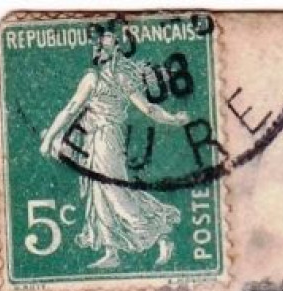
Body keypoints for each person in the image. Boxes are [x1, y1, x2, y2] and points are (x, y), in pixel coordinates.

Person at [38, 28, 190, 270]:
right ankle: (112, 251)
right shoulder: (91, 78)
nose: (99, 50)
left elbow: (148, 109)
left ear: (116, 49)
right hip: (92, 139)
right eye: (98, 47)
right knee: (99, 193)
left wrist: (172, 119)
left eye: (104, 46)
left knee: (116, 193)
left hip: (109, 139)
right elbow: (70, 110)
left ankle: (161, 235)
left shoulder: (121, 78)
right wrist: (49, 140)